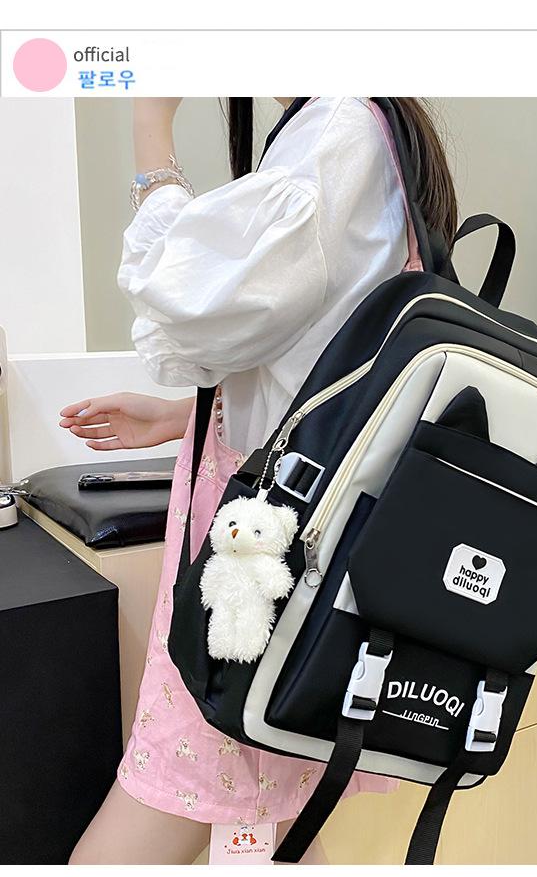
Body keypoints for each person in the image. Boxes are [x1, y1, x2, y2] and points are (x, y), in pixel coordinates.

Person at [63, 96, 457, 865]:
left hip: (252, 587)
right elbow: (324, 371)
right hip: (302, 576)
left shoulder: (337, 127)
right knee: (269, 833)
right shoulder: (374, 132)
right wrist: (183, 416)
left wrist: (151, 130)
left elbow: (186, 299)